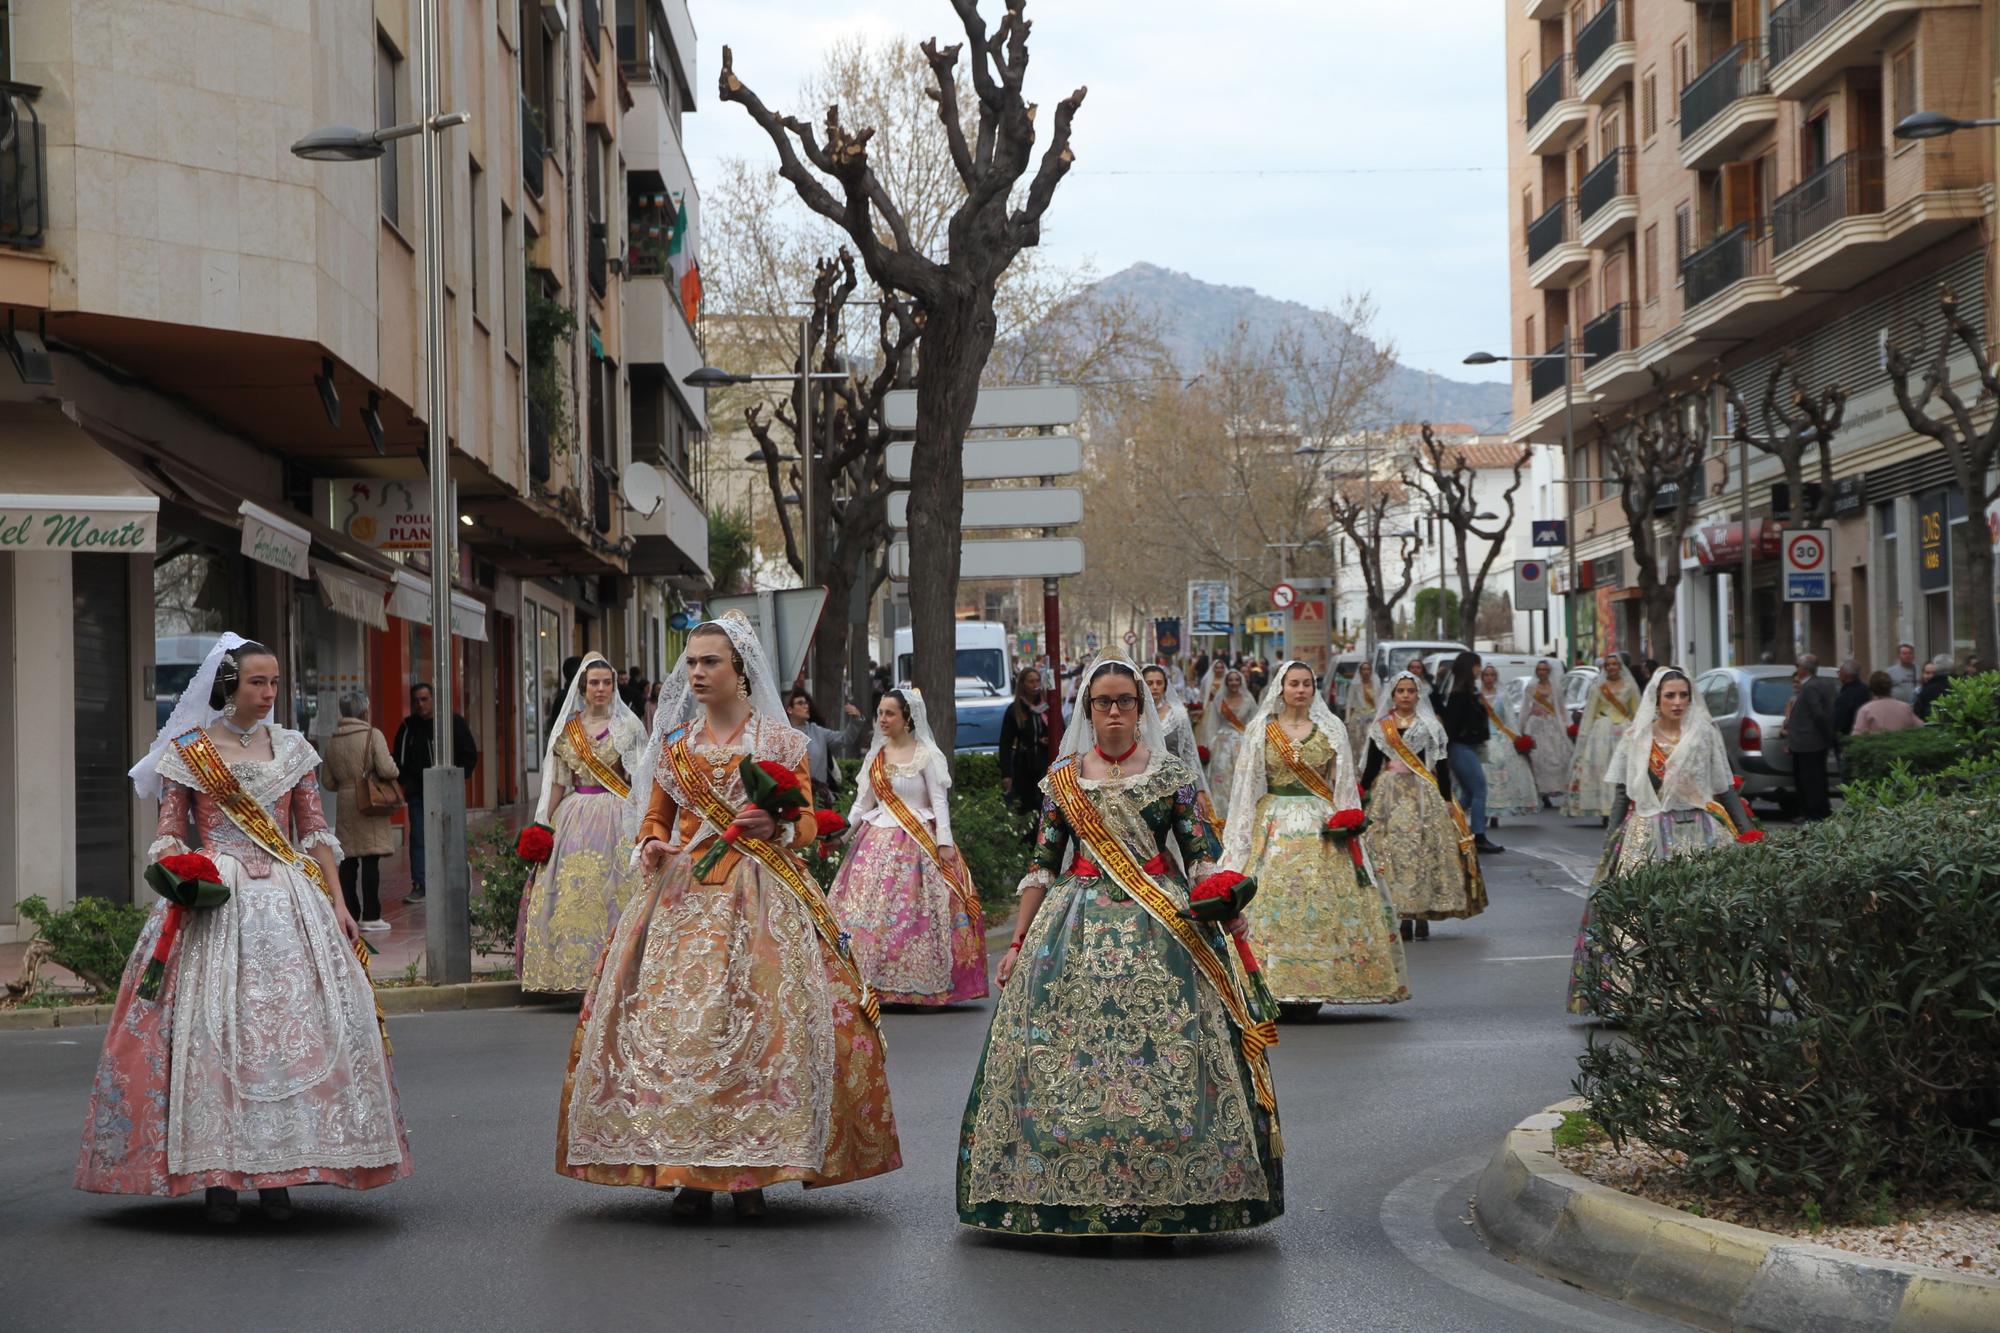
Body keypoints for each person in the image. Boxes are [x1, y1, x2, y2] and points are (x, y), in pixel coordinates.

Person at [558, 614, 900, 1218]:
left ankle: (754, 1173)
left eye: (709, 662)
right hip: (681, 899)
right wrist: (653, 845)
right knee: (680, 1034)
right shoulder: (672, 749)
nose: (697, 673)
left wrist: (777, 825)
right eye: (690, 662)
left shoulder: (780, 743)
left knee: (764, 1029)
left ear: (740, 670)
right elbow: (655, 819)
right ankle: (687, 1170)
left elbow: (808, 823)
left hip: (760, 892)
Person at [78, 634, 408, 1222]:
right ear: (230, 685)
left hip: (288, 896)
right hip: (216, 899)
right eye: (258, 682)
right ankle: (219, 1180)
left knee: (289, 1036)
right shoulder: (190, 751)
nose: (269, 693)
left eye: (275, 682)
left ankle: (281, 1177)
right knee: (211, 1033)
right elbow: (169, 833)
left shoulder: (293, 749)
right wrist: (178, 872)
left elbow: (313, 833)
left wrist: (338, 904)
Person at [957, 658, 1283, 1238]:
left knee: (1168, 1058)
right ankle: (1060, 1189)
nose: (1114, 711)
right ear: (1088, 710)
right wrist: (1018, 944)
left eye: (1125, 701)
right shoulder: (1063, 780)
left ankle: (1172, 1189)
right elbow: (1042, 864)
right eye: (1102, 702)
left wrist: (1219, 900)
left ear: (1142, 707)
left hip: (1162, 926)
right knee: (1066, 1062)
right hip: (1071, 923)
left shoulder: (1171, 775)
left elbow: (1200, 854)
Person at [1566, 667, 1757, 1015]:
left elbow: (1725, 789)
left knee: (1708, 912)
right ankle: (1638, 997)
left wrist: (1747, 833)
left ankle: (1712, 994)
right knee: (1643, 915)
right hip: (1648, 832)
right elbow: (1623, 796)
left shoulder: (1705, 735)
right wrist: (1611, 844)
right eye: (1670, 695)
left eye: (1684, 695)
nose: (1678, 702)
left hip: (1702, 831)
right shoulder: (1637, 737)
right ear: (1656, 698)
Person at [1225, 659, 1409, 1013]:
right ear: (1281, 688)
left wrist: (1348, 820)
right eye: (1293, 683)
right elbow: (1245, 787)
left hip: (1321, 824)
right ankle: (1270, 981)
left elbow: (1343, 784)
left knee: (1323, 898)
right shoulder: (1261, 729)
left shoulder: (1331, 728)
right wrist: (1240, 836)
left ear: (1314, 688)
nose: (1300, 690)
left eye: (1306, 684)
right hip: (1274, 822)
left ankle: (1325, 980)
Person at [828, 686, 988, 1007]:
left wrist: (944, 842)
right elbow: (862, 805)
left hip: (918, 844)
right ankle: (864, 980)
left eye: (890, 714)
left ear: (907, 719)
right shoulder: (876, 757)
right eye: (880, 713)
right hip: (874, 843)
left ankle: (914, 983)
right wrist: (840, 835)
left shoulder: (924, 755)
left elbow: (939, 800)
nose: (882, 720)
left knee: (916, 912)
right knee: (864, 912)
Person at [516, 654, 649, 993]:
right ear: (583, 687)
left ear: (614, 685)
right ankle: (573, 971)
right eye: (594, 683)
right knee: (573, 893)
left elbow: (640, 780)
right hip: (574, 816)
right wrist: (544, 824)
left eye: (607, 682)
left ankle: (617, 972)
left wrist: (645, 823)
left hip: (617, 815)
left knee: (613, 892)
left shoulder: (628, 727)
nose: (601, 689)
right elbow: (558, 781)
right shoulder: (567, 730)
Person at [1360, 671, 1486, 940]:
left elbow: (1441, 765)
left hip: (1424, 793)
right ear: (1392, 695)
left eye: (1410, 691)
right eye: (1400, 691)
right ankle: (1403, 915)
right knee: (1393, 854)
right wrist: (1360, 795)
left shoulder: (1431, 726)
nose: (1406, 695)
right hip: (1390, 795)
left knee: (1425, 851)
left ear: (1419, 695)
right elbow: (1372, 766)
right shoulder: (1381, 727)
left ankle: (1423, 914)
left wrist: (1446, 798)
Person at [391, 681, 478, 903]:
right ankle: (420, 884)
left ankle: (453, 880)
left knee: (451, 835)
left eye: (424, 699)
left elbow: (469, 753)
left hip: (448, 790)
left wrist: (459, 776)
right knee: (419, 835)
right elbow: (398, 760)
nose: (420, 705)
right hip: (418, 792)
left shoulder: (452, 723)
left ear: (433, 700)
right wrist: (407, 783)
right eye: (416, 701)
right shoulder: (408, 727)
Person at [321, 691, 399, 933]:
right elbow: (387, 769)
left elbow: (327, 781)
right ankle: (372, 915)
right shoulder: (372, 735)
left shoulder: (333, 739)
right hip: (369, 798)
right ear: (365, 711)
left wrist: (346, 784)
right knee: (370, 857)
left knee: (348, 859)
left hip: (345, 801)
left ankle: (351, 911)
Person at [1436, 651, 1502, 853]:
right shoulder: (1460, 695)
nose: (1479, 670)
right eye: (1477, 665)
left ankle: (1444, 826)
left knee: (1467, 794)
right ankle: (1479, 835)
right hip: (1460, 748)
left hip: (1465, 747)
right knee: (1480, 790)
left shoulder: (1469, 692)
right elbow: (1451, 725)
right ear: (1469, 667)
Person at [1143, 662, 1221, 830]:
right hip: (1144, 786)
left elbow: (1189, 754)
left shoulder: (1177, 715)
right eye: (1149, 683)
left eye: (1159, 683)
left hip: (1176, 785)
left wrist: (1199, 790)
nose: (1155, 687)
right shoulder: (1133, 715)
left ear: (1165, 686)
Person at [1567, 657, 1639, 820]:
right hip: (1601, 732)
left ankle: (1622, 806)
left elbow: (1636, 711)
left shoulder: (1630, 686)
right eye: (1609, 665)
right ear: (1605, 668)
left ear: (1620, 667)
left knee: (1622, 770)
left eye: (1615, 664)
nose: (1612, 667)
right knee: (1602, 770)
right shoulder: (1598, 687)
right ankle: (1604, 808)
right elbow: (1589, 714)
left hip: (1624, 731)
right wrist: (1584, 737)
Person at [1475, 664, 1540, 823]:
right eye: (1486, 675)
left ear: (1495, 677)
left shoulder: (1502, 696)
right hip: (1482, 739)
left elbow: (1510, 718)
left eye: (1492, 675)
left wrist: (1517, 739)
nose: (1489, 678)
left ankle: (1496, 811)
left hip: (1499, 737)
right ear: (1482, 678)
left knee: (1501, 772)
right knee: (1484, 774)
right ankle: (1485, 809)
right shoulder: (1476, 696)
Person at [784, 687, 867, 809]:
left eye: (806, 703)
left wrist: (856, 720)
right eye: (800, 703)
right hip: (794, 797)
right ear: (790, 709)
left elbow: (844, 739)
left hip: (819, 798)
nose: (806, 706)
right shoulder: (783, 734)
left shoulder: (818, 731)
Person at [996, 666, 1052, 823]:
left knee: (1045, 808)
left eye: (1037, 681)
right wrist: (1006, 774)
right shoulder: (1015, 710)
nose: (1035, 685)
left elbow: (1060, 731)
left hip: (1044, 766)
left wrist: (1047, 740)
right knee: (1025, 810)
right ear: (1023, 684)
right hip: (1023, 768)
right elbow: (1005, 743)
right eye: (1030, 681)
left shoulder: (1047, 708)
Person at [1785, 654, 1836, 823]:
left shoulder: (1811, 687)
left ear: (1804, 669)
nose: (1796, 670)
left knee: (1810, 780)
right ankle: (1813, 811)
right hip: (1807, 742)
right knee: (1809, 779)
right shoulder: (1814, 685)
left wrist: (1826, 735)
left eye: (1798, 666)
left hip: (1809, 743)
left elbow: (1818, 713)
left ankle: (1814, 813)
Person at [1517, 659, 1573, 808]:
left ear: (1549, 672)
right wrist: (1520, 729)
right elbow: (1524, 709)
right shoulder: (1531, 688)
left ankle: (1555, 788)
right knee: (1537, 759)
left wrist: (1567, 725)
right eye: (1539, 669)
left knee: (1556, 758)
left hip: (1553, 725)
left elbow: (1561, 708)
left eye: (1545, 670)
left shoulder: (1556, 687)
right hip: (1535, 725)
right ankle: (1541, 792)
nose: (1542, 672)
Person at [1204, 667, 1256, 797]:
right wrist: (1210, 743)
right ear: (1226, 682)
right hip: (1222, 744)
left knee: (1242, 776)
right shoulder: (1219, 700)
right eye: (1231, 680)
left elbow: (1255, 722)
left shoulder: (1249, 700)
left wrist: (1254, 741)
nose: (1234, 682)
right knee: (1221, 775)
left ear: (1241, 681)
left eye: (1237, 680)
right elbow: (1212, 723)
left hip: (1242, 741)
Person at [1853, 671, 1923, 733]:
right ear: (1890, 687)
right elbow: (1920, 726)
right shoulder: (1905, 707)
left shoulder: (1866, 710)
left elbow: (1858, 736)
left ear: (1871, 688)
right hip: (1902, 745)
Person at [1343, 660, 1379, 762]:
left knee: (1370, 743)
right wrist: (1347, 719)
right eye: (1363, 669)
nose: (1366, 671)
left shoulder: (1376, 686)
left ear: (1371, 671)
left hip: (1372, 718)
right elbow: (1349, 702)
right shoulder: (1355, 686)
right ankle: (1358, 766)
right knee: (1358, 743)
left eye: (1368, 669)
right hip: (1358, 718)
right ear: (1360, 672)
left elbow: (1379, 703)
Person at [1833, 658, 1871, 740]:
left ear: (1846, 675)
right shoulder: (1866, 689)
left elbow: (1839, 722)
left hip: (1850, 737)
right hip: (1866, 735)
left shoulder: (1845, 696)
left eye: (1840, 672)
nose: (1838, 674)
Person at [1914, 653, 1958, 720]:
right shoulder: (1961, 686)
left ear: (1935, 668)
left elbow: (1918, 713)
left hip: (1932, 726)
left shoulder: (1928, 689)